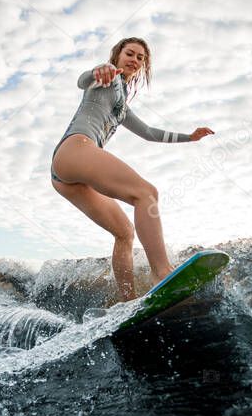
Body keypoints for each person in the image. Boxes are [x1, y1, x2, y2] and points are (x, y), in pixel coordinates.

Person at [50, 37, 215, 302]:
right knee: (146, 193)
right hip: (74, 149)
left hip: (66, 179)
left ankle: (128, 302)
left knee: (125, 232)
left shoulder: (122, 105)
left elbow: (149, 132)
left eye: (141, 58)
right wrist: (97, 71)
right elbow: (83, 80)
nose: (135, 60)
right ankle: (162, 272)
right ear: (117, 55)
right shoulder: (107, 77)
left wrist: (189, 137)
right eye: (130, 53)